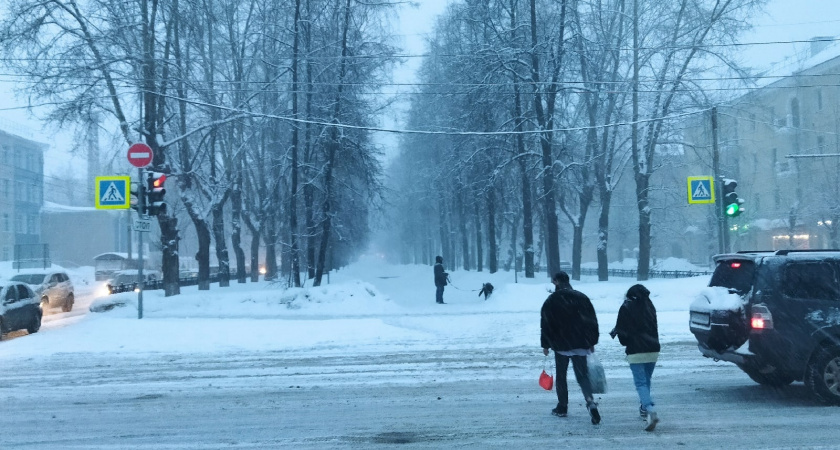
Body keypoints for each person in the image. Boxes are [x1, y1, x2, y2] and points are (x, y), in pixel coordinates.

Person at [540, 271, 601, 424]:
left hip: (561, 345)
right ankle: (590, 402)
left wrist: (546, 344)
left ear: (555, 282)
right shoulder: (581, 297)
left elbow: (546, 324)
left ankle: (562, 407)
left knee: (561, 376)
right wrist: (592, 341)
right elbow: (592, 321)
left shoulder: (552, 300)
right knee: (582, 376)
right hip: (581, 343)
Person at [610, 284, 661, 432]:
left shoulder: (626, 307)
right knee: (646, 381)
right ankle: (644, 408)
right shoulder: (650, 306)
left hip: (636, 350)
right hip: (653, 348)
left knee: (640, 383)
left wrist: (621, 336)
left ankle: (650, 408)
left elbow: (623, 334)